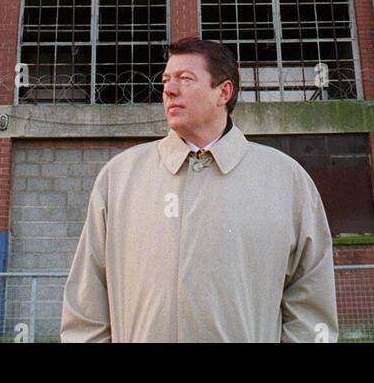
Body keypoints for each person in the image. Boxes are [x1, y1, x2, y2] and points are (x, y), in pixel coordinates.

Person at [60, 37, 338, 342]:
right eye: (166, 79)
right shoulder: (119, 177)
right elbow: (86, 307)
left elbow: (311, 306)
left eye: (185, 79)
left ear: (224, 92)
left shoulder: (286, 180)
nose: (169, 89)